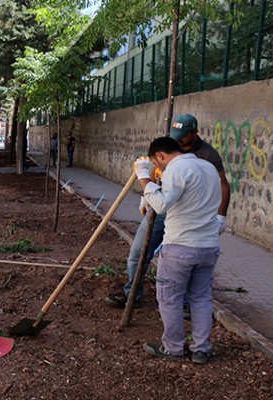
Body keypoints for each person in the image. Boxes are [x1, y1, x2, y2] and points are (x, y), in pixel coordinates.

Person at [104, 114, 230, 309]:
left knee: (184, 264)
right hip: (161, 207)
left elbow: (223, 184)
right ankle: (132, 294)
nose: (178, 139)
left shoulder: (208, 155)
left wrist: (221, 216)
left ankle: (186, 304)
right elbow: (157, 172)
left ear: (194, 132)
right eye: (175, 134)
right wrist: (147, 195)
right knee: (138, 252)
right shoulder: (169, 147)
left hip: (187, 215)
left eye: (183, 135)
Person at [134, 137, 221, 364]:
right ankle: (201, 348)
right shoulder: (208, 167)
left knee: (169, 298)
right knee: (201, 298)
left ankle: (173, 347)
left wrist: (144, 179)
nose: (158, 168)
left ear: (160, 156)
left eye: (157, 163)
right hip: (208, 245)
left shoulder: (177, 168)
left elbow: (162, 205)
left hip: (180, 246)